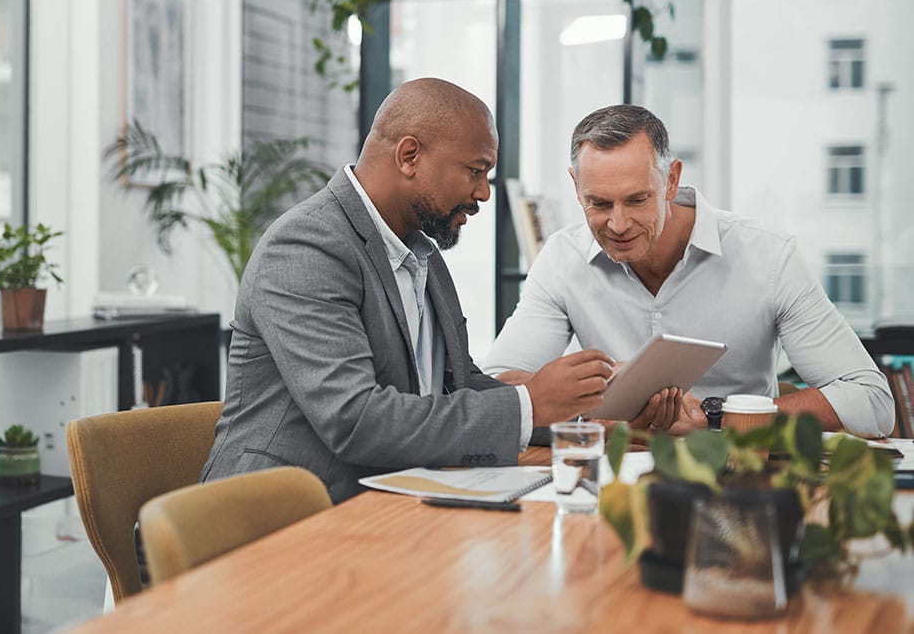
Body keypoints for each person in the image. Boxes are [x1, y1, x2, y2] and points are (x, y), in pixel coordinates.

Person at [201, 78, 616, 503]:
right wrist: (530, 404)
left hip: (385, 505)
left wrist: (577, 413)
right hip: (274, 522)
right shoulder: (306, 247)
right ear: (409, 156)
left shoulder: (421, 253)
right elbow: (356, 420)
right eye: (475, 171)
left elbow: (455, 383)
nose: (484, 193)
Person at [480, 104, 894, 438]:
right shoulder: (562, 259)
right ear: (575, 187)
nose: (618, 224)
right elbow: (492, 387)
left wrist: (714, 417)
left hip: (742, 481)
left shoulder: (767, 256)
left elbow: (871, 401)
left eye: (638, 199)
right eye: (599, 203)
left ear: (672, 180)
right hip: (612, 483)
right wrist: (595, 395)